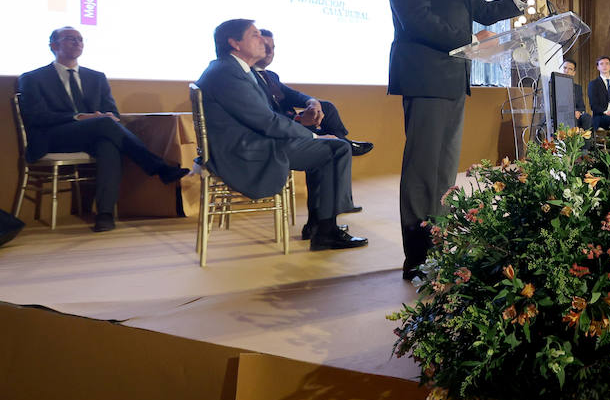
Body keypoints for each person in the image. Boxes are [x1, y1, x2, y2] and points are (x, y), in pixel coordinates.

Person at [384, 0, 558, 280]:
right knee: (422, 171)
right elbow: (415, 17)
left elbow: (480, 9)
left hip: (451, 77)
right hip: (426, 76)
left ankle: (439, 247)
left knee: (444, 172)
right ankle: (416, 257)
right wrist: (466, 42)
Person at [197, 20, 365, 251]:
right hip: (244, 152)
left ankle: (320, 226)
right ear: (234, 43)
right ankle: (325, 230)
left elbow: (266, 117)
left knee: (330, 150)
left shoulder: (232, 69)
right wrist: (314, 137)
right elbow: (266, 120)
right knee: (336, 149)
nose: (262, 42)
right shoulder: (228, 73)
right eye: (255, 35)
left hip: (251, 143)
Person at [17, 27, 189, 232]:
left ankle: (105, 215)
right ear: (53, 45)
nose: (77, 42)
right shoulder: (32, 78)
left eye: (80, 39)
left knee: (108, 143)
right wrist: (80, 117)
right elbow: (35, 116)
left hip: (95, 133)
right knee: (105, 124)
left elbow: (112, 112)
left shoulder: (96, 77)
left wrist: (106, 117)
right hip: (55, 136)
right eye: (70, 39)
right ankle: (158, 167)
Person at [256, 29, 373, 158]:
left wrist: (312, 102)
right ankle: (343, 144)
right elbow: (266, 114)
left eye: (273, 48)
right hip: (281, 126)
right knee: (330, 141)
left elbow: (294, 95)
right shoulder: (248, 77)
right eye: (265, 47)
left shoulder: (271, 76)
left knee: (325, 107)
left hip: (294, 121)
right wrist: (298, 119)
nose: (270, 52)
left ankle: (342, 140)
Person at [561, 60, 592, 130]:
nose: (566, 71)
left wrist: (579, 112)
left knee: (587, 117)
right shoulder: (555, 85)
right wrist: (572, 112)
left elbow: (582, 107)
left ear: (574, 73)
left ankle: (586, 140)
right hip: (561, 114)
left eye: (570, 69)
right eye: (565, 68)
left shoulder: (578, 88)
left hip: (575, 115)